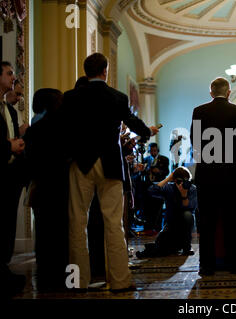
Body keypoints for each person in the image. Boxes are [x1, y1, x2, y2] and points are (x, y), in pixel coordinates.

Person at [61, 53, 159, 292]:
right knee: (114, 224)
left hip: (81, 162)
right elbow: (133, 123)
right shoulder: (117, 97)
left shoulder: (71, 97)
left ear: (86, 72)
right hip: (110, 164)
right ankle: (119, 281)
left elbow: (64, 130)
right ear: (105, 71)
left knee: (77, 222)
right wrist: (148, 131)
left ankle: (78, 281)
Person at [190, 77, 236, 275]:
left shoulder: (199, 111)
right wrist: (235, 166)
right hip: (231, 175)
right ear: (229, 92)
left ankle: (206, 266)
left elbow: (195, 143)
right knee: (232, 220)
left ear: (211, 93)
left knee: (206, 222)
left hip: (207, 175)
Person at [23, 88, 68, 291]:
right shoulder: (66, 128)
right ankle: (68, 280)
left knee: (43, 234)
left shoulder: (34, 130)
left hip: (42, 187)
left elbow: (30, 162)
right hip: (63, 187)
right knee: (63, 235)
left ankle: (45, 281)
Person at [0, 61, 26, 297]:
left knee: (7, 222)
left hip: (10, 173)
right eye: (9, 74)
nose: (13, 79)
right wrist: (9, 145)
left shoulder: (7, 109)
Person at [137, 166, 197, 258]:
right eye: (178, 181)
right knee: (160, 246)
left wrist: (184, 195)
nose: (181, 184)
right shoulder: (170, 188)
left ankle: (187, 247)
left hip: (184, 227)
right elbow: (151, 191)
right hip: (171, 224)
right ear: (174, 180)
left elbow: (190, 207)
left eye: (184, 181)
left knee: (188, 215)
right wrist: (168, 178)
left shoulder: (192, 189)